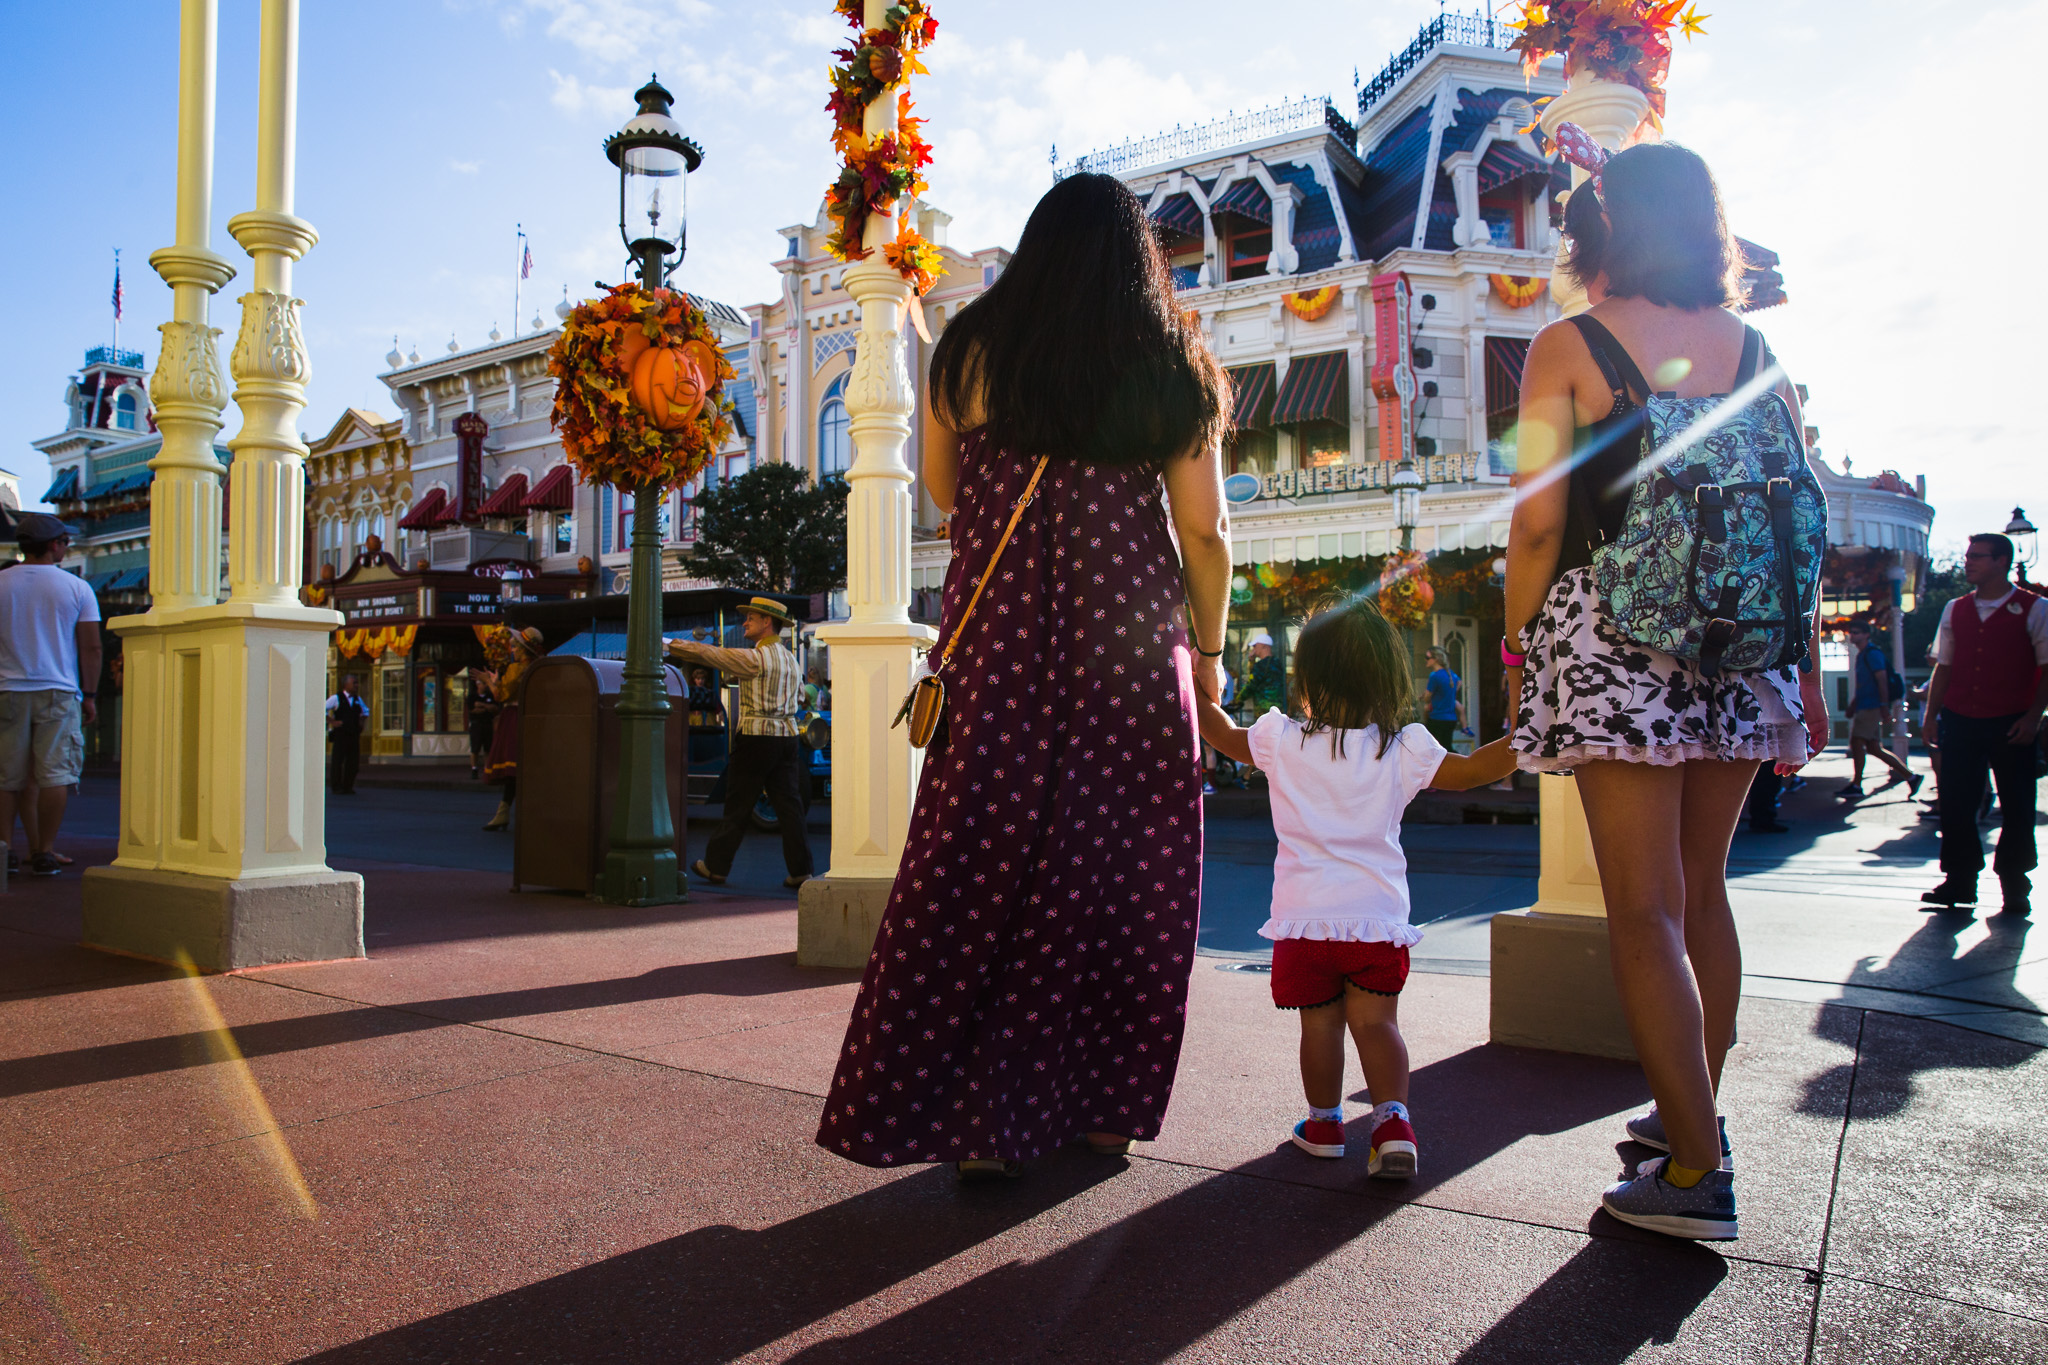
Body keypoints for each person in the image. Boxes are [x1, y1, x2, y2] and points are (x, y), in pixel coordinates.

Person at [816, 171, 1232, 1180]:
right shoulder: (1170, 364)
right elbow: (1205, 533)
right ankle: (1100, 1113)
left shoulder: (966, 352)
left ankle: (977, 1124)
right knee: (1124, 881)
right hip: (1129, 654)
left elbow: (947, 495)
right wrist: (1210, 663)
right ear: (1140, 259)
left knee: (974, 870)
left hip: (998, 643)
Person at [1503, 142, 1828, 1241]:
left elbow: (1540, 517)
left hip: (1614, 642)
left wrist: (1515, 648)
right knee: (1701, 896)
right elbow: (1799, 510)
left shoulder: (1569, 343)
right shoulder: (1750, 346)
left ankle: (1693, 1176)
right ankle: (1692, 1115)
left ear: (1606, 228)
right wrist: (1807, 666)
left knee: (1639, 910)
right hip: (1741, 648)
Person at [1197, 597, 1514, 1177]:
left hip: (1303, 921)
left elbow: (1216, 730)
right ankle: (1393, 1124)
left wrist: (1204, 679)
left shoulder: (1280, 740)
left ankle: (1323, 1124)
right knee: (1378, 1024)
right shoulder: (1404, 747)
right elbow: (1478, 771)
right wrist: (1526, 730)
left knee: (1319, 1025)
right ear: (1388, 676)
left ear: (1306, 676)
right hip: (1376, 920)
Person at [1920, 532, 2048, 915]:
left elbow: (2046, 668)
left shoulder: (2035, 608)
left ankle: (2015, 884)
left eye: (1977, 556)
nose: (1968, 562)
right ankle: (1960, 880)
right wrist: (1931, 716)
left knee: (2017, 804)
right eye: (1968, 555)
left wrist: (2032, 717)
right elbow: (1944, 665)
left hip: (2012, 721)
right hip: (1961, 719)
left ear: (2001, 562)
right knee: (1956, 802)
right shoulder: (1955, 608)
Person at [666, 598, 813, 889]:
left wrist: (669, 644)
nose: (745, 622)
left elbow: (711, 655)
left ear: (766, 623)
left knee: (737, 804)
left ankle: (716, 867)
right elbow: (800, 698)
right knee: (790, 807)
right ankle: (801, 871)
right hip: (787, 737)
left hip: (756, 737)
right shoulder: (791, 661)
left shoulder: (755, 658)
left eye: (750, 618)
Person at [0, 513, 101, 878]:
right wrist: (89, 694)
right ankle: (44, 851)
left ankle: (6, 850)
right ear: (54, 545)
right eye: (64, 540)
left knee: (7, 778)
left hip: (7, 690)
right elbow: (91, 647)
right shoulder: (75, 588)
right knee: (55, 775)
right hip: (58, 691)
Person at [1837, 620, 1920, 801]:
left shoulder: (1872, 654)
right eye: (1852, 632)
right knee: (1874, 748)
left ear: (1867, 634)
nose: (1854, 635)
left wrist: (1883, 705)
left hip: (1872, 706)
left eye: (1858, 632)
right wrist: (1853, 704)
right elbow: (1863, 685)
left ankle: (1857, 784)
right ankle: (1911, 776)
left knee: (1857, 742)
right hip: (1865, 704)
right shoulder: (1862, 655)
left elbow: (1881, 680)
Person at [480, 626, 545, 832]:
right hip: (531, 717)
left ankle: (509, 813)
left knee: (514, 769)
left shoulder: (518, 669)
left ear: (523, 649)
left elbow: (501, 695)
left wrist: (489, 681)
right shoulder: (537, 668)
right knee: (522, 770)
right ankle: (507, 812)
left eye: (516, 647)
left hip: (514, 718)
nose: (513, 650)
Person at [325, 674, 369, 795]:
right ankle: (336, 786)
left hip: (353, 734)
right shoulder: (336, 698)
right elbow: (322, 709)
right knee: (337, 761)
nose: (356, 685)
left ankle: (348, 786)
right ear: (346, 685)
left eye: (357, 683)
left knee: (353, 762)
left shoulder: (357, 699)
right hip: (341, 734)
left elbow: (365, 711)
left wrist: (361, 722)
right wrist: (332, 721)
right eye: (354, 683)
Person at [1422, 646, 1464, 750]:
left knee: (1432, 749)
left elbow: (1427, 697)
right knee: (1446, 747)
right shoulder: (1450, 674)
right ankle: (1460, 763)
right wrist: (1448, 695)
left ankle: (1462, 764)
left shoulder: (1434, 676)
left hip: (1437, 718)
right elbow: (1459, 683)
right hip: (1451, 719)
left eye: (1427, 658)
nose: (1425, 660)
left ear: (1435, 659)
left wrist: (1427, 699)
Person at [1238, 630, 1283, 717]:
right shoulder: (1278, 663)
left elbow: (1251, 685)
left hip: (1263, 709)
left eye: (1255, 646)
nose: (1253, 649)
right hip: (1278, 708)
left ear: (1264, 646)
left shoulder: (1260, 666)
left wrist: (1237, 700)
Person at [466, 668, 499, 781]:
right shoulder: (472, 696)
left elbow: (495, 709)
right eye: (483, 684)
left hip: (488, 724)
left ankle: (486, 768)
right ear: (478, 685)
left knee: (488, 748)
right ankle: (474, 768)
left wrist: (482, 706)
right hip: (476, 725)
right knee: (475, 748)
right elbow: (473, 710)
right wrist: (485, 708)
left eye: (486, 684)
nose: (485, 686)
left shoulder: (490, 696)